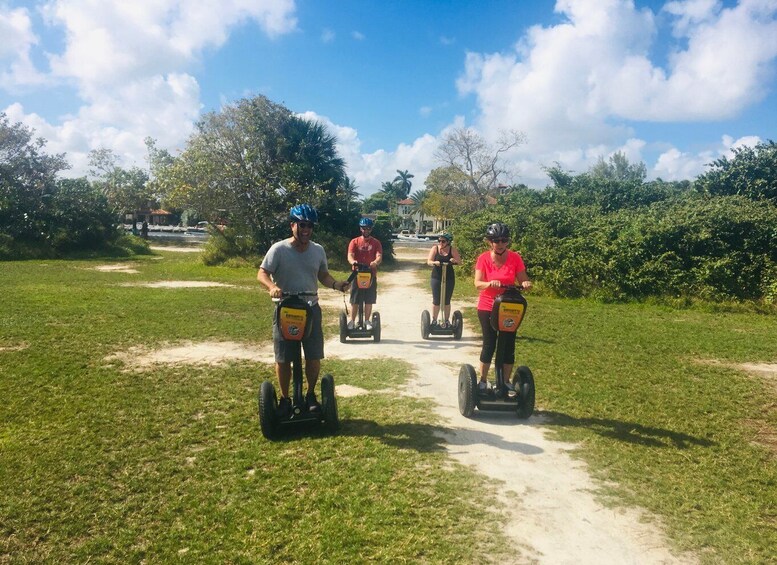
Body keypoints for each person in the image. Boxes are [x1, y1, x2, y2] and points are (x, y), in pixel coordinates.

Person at [257, 204, 349, 416]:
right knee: (283, 358)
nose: (306, 229)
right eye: (302, 225)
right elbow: (262, 273)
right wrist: (272, 287)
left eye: (309, 226)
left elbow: (323, 275)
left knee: (313, 356)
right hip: (285, 309)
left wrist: (336, 284)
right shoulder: (278, 249)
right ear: (293, 225)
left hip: (310, 309)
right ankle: (284, 398)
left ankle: (310, 395)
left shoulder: (318, 250)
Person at [474, 222, 532, 391]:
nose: (500, 244)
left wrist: (526, 283)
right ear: (489, 242)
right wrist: (489, 283)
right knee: (490, 343)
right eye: (496, 240)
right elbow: (477, 283)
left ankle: (505, 382)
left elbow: (522, 278)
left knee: (508, 343)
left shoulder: (515, 258)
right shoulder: (483, 258)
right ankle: (483, 381)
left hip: (509, 305)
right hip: (487, 306)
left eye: (504, 240)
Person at [347, 217, 383, 330]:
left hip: (370, 273)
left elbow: (379, 256)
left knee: (369, 299)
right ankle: (352, 321)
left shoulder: (376, 242)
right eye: (364, 228)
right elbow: (350, 255)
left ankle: (367, 321)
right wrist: (353, 262)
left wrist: (375, 262)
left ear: (371, 229)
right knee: (355, 299)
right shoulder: (354, 241)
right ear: (360, 229)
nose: (366, 231)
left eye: (368, 229)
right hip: (357, 273)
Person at [426, 232, 461, 327]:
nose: (441, 242)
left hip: (449, 277)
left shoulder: (452, 250)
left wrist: (454, 261)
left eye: (443, 241)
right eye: (439, 240)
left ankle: (446, 321)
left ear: (448, 242)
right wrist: (434, 262)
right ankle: (434, 321)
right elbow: (428, 261)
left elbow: (459, 262)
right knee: (436, 299)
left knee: (447, 300)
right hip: (436, 276)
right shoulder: (435, 249)